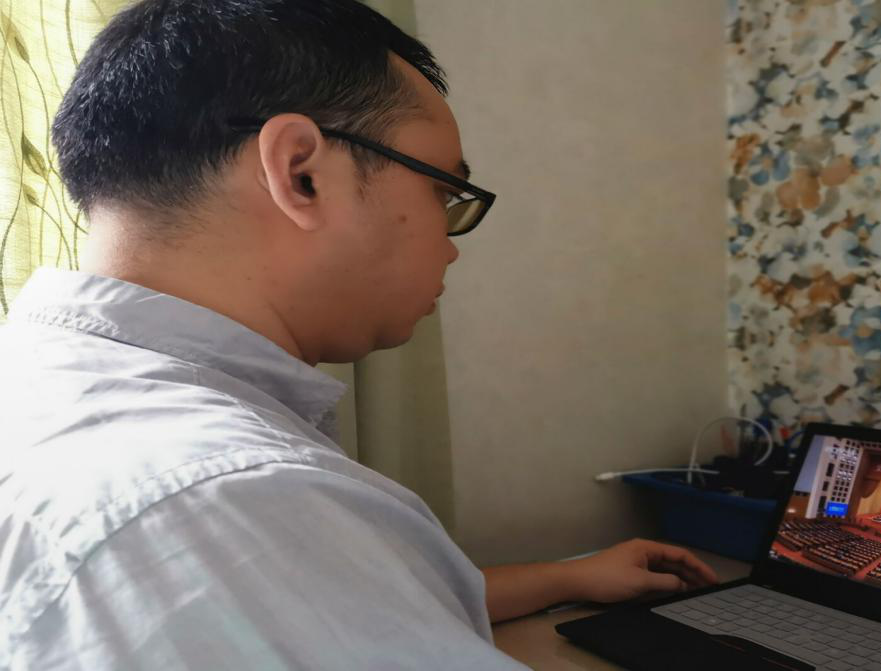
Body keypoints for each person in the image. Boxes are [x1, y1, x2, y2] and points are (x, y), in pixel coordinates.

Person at [0, 1, 718, 669]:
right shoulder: (233, 495)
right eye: (444, 192)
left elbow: (318, 598)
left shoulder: (52, 386)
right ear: (301, 173)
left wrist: (566, 576)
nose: (450, 246)